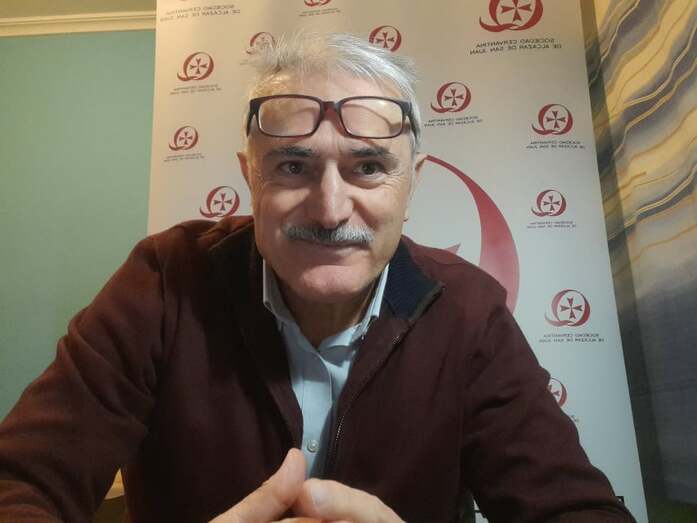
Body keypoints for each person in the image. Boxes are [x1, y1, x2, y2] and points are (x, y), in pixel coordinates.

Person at [0, 32, 634, 523]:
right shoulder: (166, 281)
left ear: (413, 185)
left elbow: (575, 511)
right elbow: (20, 481)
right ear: (249, 178)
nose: (330, 211)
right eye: (292, 167)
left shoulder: (468, 310)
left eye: (368, 167)